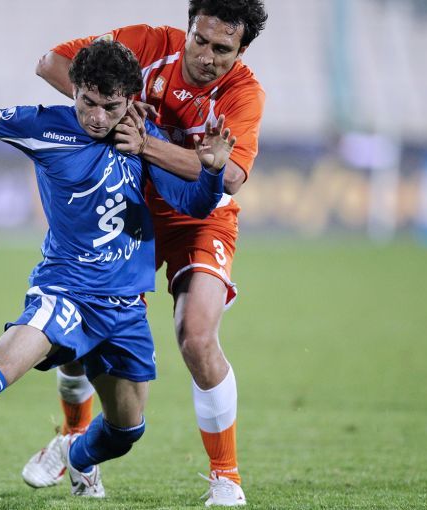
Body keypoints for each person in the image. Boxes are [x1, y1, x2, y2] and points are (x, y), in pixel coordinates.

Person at [0, 40, 235, 499]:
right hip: (65, 293)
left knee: (127, 430)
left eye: (110, 107)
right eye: (87, 102)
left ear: (130, 100)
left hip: (125, 307)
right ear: (74, 90)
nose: (97, 117)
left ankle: (77, 457)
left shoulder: (143, 138)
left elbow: (193, 203)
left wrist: (212, 171)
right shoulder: (43, 126)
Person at [25, 0, 267, 505]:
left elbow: (229, 176)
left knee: (196, 337)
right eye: (200, 40)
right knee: (80, 325)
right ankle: (73, 439)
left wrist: (144, 141)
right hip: (129, 204)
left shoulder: (244, 94)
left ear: (241, 51)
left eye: (222, 49)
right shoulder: (146, 44)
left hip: (199, 216)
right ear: (188, 29)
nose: (206, 55)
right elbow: (50, 63)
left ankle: (226, 476)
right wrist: (110, 111)